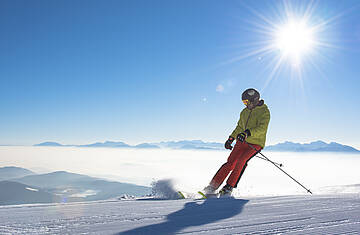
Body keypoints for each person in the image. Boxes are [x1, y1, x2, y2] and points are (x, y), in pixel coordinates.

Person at [204, 88, 270, 197]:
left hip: (255, 143)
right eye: (244, 102)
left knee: (241, 161)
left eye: (247, 102)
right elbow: (239, 127)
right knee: (230, 163)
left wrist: (247, 133)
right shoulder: (244, 112)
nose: (245, 104)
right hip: (241, 141)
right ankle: (212, 186)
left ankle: (228, 187)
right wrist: (231, 138)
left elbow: (262, 128)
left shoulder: (264, 112)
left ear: (254, 100)